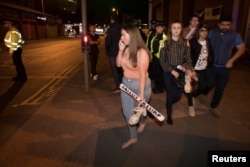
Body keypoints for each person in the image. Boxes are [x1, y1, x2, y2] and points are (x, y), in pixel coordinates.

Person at [116, 24, 151, 149]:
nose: (121, 37)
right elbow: (118, 64)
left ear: (132, 36)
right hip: (126, 84)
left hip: (140, 85)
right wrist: (120, 50)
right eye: (121, 34)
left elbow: (143, 75)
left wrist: (141, 95)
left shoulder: (142, 53)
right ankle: (133, 137)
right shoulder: (125, 48)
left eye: (123, 34)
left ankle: (143, 121)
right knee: (128, 113)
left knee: (138, 110)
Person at [205, 15, 245, 117]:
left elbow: (241, 49)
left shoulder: (235, 35)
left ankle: (214, 106)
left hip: (225, 67)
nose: (225, 27)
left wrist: (231, 60)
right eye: (223, 24)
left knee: (220, 88)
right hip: (211, 65)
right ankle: (202, 93)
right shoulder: (212, 33)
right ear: (219, 24)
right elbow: (204, 43)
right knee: (209, 84)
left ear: (230, 25)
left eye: (228, 25)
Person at [159, 20, 194, 125]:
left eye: (178, 28)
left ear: (181, 29)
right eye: (174, 28)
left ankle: (169, 103)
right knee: (170, 94)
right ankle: (169, 114)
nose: (176, 30)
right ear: (170, 29)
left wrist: (189, 69)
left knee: (178, 95)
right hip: (167, 71)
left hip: (181, 70)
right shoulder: (164, 43)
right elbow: (162, 61)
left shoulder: (185, 42)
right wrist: (171, 70)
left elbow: (188, 59)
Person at [187, 24, 214, 117]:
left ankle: (193, 97)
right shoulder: (193, 42)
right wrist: (190, 69)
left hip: (203, 69)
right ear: (198, 32)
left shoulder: (208, 42)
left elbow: (210, 54)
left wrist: (210, 62)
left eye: (206, 31)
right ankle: (190, 106)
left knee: (202, 88)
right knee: (190, 88)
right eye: (202, 30)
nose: (204, 33)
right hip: (193, 69)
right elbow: (188, 57)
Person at [105, 14, 122, 93]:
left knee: (114, 69)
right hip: (120, 50)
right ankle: (122, 84)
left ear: (112, 19)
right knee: (120, 68)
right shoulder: (121, 27)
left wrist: (107, 48)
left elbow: (108, 41)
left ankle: (118, 86)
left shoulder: (111, 28)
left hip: (112, 51)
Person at [149, 20, 167, 94]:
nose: (158, 29)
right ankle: (157, 86)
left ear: (163, 28)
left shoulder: (164, 37)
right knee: (156, 73)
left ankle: (160, 88)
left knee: (159, 74)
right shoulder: (156, 35)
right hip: (155, 57)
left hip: (160, 58)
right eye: (157, 27)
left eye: (160, 27)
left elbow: (160, 49)